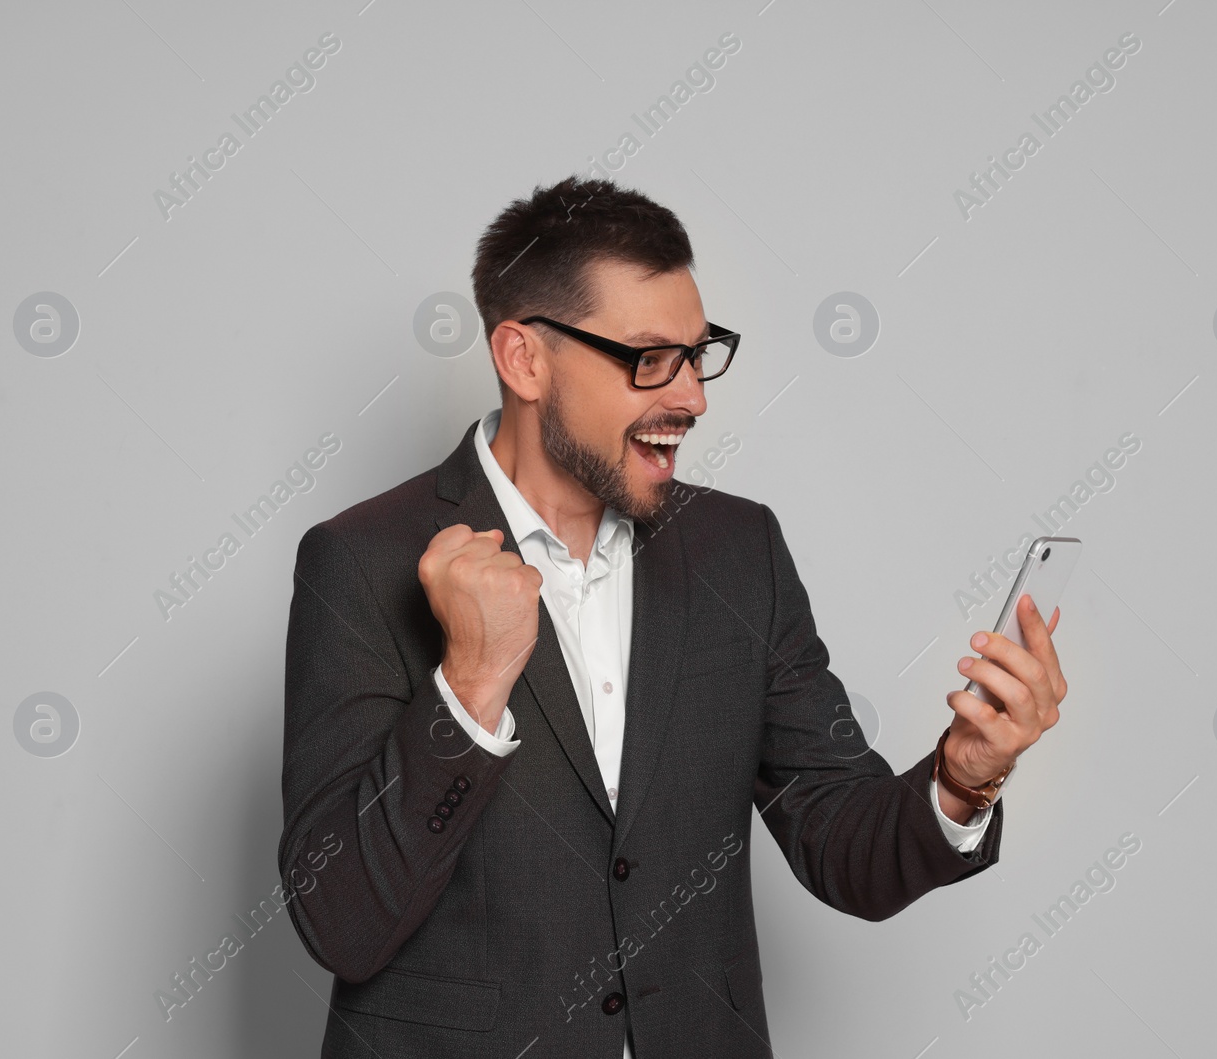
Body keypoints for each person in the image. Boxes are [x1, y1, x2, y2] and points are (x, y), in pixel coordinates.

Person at [278, 175, 1068, 1058]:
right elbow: (339, 920)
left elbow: (844, 844)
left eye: (699, 354)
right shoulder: (362, 559)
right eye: (649, 358)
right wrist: (469, 686)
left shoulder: (740, 550)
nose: (692, 397)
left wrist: (963, 778)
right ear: (524, 358)